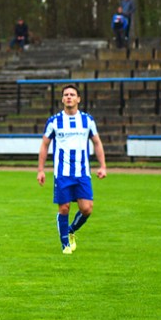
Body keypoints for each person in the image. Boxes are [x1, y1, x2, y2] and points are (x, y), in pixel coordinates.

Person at [36, 85, 107, 255]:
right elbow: (45, 144)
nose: (69, 97)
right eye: (66, 95)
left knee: (87, 209)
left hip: (82, 173)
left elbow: (96, 142)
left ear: (78, 99)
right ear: (62, 99)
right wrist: (40, 170)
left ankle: (70, 230)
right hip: (62, 173)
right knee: (64, 208)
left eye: (72, 95)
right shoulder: (54, 121)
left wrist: (103, 166)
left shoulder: (87, 120)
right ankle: (65, 245)